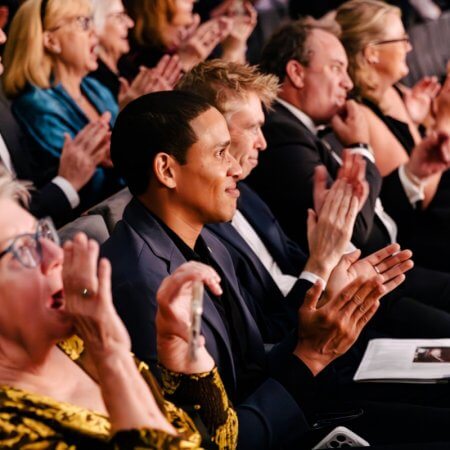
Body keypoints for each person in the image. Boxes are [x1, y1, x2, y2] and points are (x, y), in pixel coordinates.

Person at [99, 89, 450, 449]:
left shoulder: (206, 239)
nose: (237, 167)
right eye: (221, 153)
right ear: (167, 170)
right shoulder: (142, 283)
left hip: (298, 411)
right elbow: (213, 440)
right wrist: (311, 355)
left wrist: (327, 304)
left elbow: (254, 367)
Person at [177, 59, 428, 344]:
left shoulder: (245, 193)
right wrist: (322, 262)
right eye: (251, 127)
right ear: (212, 130)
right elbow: (267, 335)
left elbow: (297, 263)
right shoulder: (201, 220)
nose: (263, 142)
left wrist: (339, 262)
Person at [0, 165, 237, 448]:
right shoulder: (9, 430)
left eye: (42, 235)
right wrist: (112, 355)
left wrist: (181, 358)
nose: (55, 254)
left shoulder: (76, 341)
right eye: (23, 249)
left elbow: (217, 441)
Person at [246, 18, 450, 318]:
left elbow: (368, 212)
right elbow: (354, 231)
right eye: (335, 68)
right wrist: (360, 147)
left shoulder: (305, 129)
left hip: (384, 273)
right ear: (297, 73)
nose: (348, 82)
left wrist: (413, 174)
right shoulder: (280, 134)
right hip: (360, 295)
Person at [335, 0, 450, 271]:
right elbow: (420, 199)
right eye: (402, 39)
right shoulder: (360, 113)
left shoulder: (394, 88)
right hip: (421, 238)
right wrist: (444, 120)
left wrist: (419, 119)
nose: (410, 47)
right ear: (372, 53)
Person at [2, 0, 124, 212]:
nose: (94, 32)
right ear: (50, 40)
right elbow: (89, 186)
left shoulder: (94, 87)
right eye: (83, 22)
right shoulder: (36, 106)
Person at [90, 0, 181, 106]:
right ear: (95, 23)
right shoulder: (92, 81)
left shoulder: (130, 68)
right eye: (119, 17)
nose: (130, 23)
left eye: (125, 15)